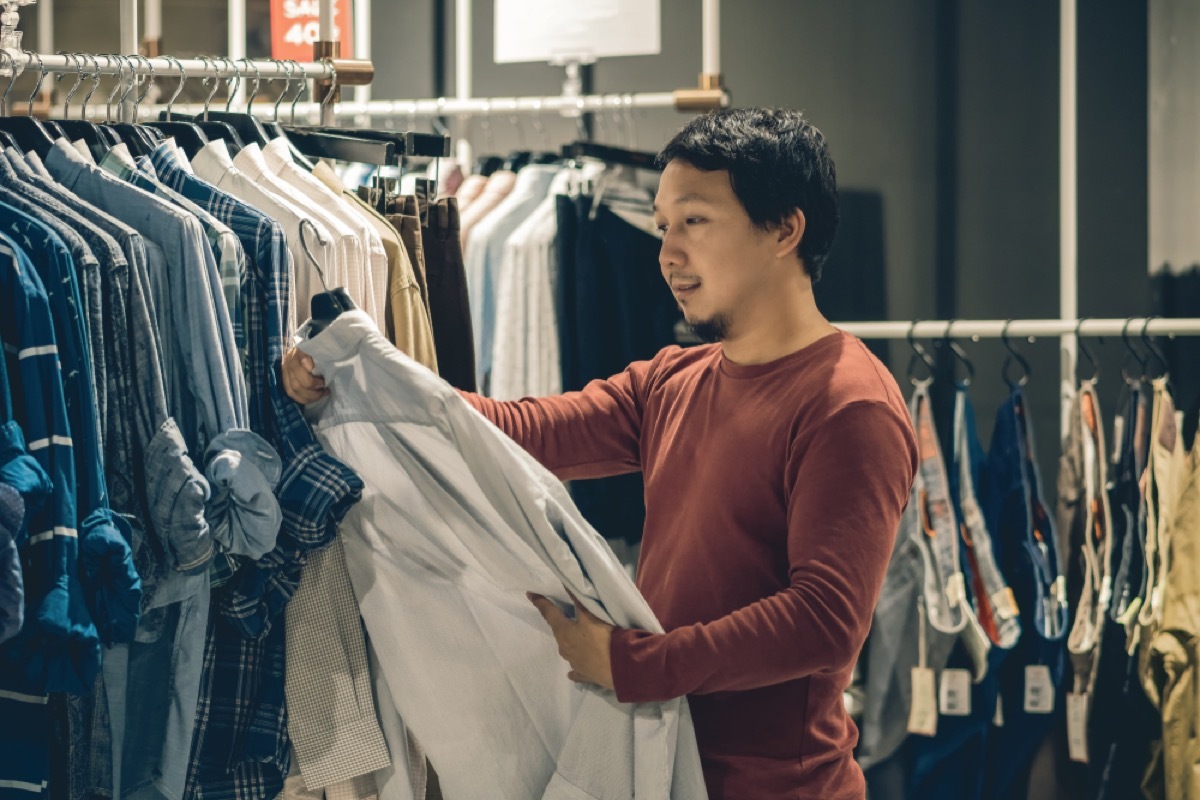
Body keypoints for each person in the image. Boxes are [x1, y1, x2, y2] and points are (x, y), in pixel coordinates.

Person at [282, 107, 918, 800]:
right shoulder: (675, 380)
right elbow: (519, 429)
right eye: (663, 224)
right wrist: (353, 381)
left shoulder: (848, 403)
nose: (668, 253)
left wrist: (635, 664)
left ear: (785, 230)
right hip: (665, 765)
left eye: (695, 222)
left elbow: (822, 622)